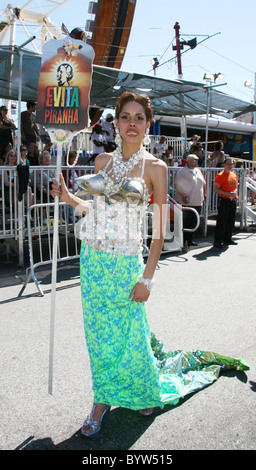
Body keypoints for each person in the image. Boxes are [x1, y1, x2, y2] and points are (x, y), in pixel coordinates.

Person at [51, 92, 248, 438]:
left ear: (147, 124)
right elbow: (95, 210)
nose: (131, 123)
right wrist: (68, 197)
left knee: (131, 335)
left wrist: (148, 280)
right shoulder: (101, 163)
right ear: (115, 123)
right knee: (99, 337)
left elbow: (158, 235)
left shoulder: (156, 168)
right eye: (125, 116)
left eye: (139, 117)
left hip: (128, 262)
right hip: (94, 262)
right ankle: (102, 400)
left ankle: (140, 388)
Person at [174, 154, 206, 251]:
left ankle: (190, 240)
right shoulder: (182, 172)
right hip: (187, 202)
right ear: (189, 161)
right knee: (186, 223)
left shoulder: (198, 171)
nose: (196, 162)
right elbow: (177, 185)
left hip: (197, 201)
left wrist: (204, 196)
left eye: (197, 160)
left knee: (194, 222)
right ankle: (184, 242)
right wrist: (183, 195)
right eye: (194, 160)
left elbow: (203, 184)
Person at [213, 157, 238, 248]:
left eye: (231, 164)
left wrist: (236, 196)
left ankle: (228, 239)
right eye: (228, 164)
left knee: (231, 221)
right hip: (224, 200)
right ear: (224, 164)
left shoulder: (233, 174)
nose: (230, 166)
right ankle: (218, 241)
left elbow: (235, 186)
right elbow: (216, 189)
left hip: (232, 200)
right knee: (222, 221)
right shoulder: (220, 175)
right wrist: (228, 193)